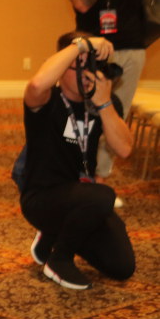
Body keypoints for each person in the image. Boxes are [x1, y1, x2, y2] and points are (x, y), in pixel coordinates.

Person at [19, 32, 135, 290]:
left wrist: (104, 104)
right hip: (41, 198)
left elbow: (125, 148)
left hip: (83, 202)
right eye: (79, 65)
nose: (87, 73)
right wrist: (81, 45)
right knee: (103, 195)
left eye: (91, 64)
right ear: (60, 67)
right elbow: (36, 84)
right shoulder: (47, 99)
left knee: (122, 266)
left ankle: (52, 236)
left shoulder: (103, 101)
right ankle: (59, 260)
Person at [67, 0, 146, 187]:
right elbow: (82, 4)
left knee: (115, 116)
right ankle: (75, 172)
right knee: (84, 114)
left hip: (132, 47)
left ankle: (100, 179)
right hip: (95, 46)